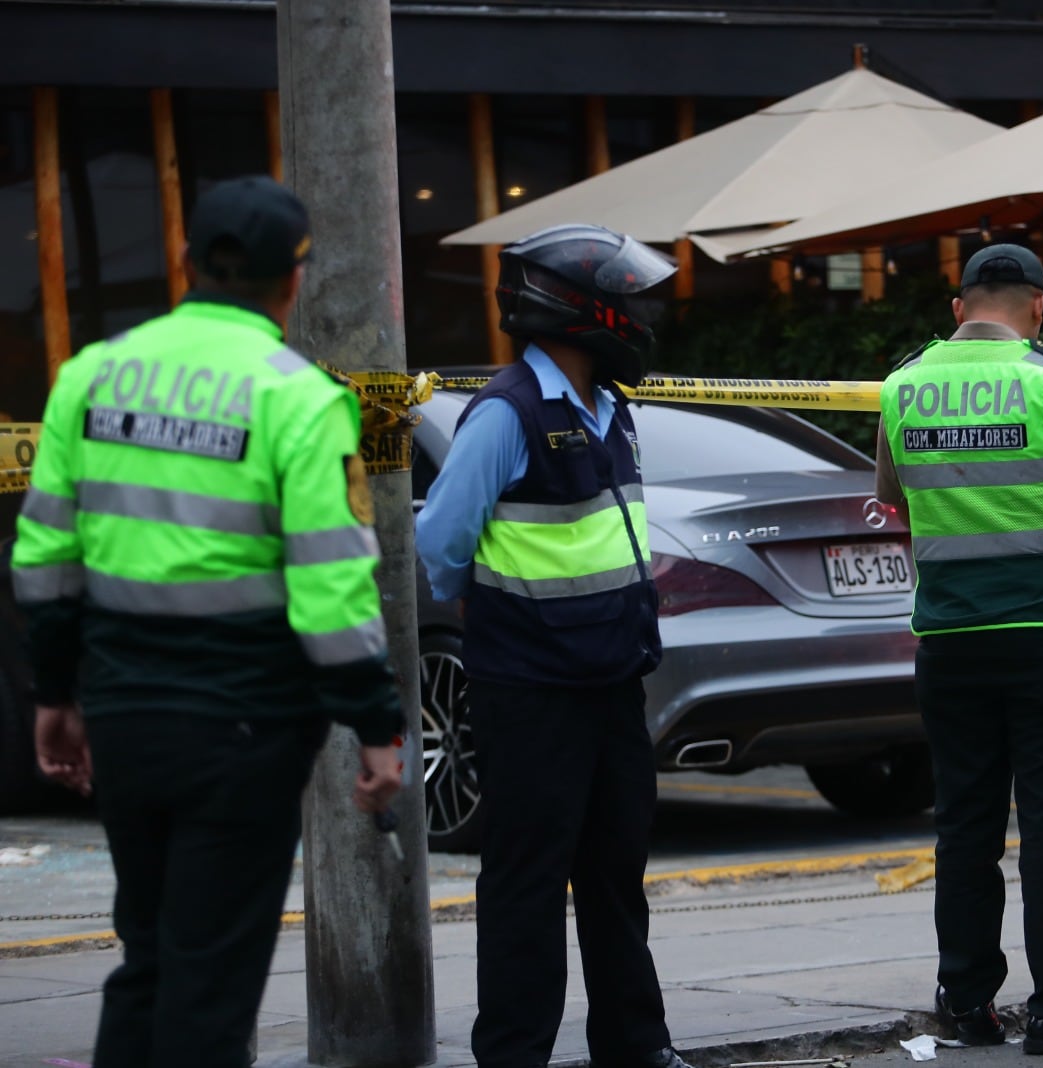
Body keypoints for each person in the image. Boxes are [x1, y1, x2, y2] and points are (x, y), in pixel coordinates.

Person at [11, 175, 405, 1068]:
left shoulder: (92, 373)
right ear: (293, 280)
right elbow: (331, 589)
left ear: (186, 261)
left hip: (123, 719)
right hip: (244, 730)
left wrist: (56, 693)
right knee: (210, 982)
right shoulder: (300, 398)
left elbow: (43, 558)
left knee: (146, 960)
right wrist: (376, 725)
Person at [414, 224, 691, 1068]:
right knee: (526, 890)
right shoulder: (506, 413)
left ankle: (636, 1050)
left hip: (611, 683)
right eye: (632, 302)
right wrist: (509, 613)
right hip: (530, 691)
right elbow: (440, 541)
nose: (644, 317)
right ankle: (513, 1056)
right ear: (578, 311)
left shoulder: (609, 406)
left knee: (615, 884)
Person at [876, 244, 1043, 1055]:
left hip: (950, 640)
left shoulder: (903, 384)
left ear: (959, 308)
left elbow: (898, 503)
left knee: (964, 827)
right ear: (1039, 305)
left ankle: (966, 1005)